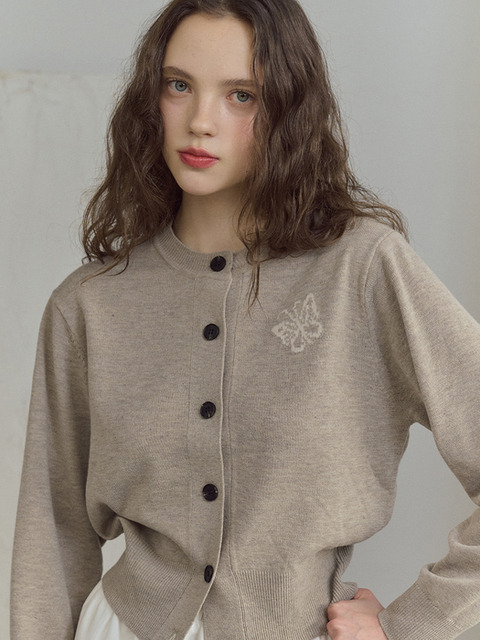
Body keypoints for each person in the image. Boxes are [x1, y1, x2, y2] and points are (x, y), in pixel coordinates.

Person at [10, 0, 480, 639]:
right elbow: (54, 535)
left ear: (290, 109)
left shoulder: (362, 270)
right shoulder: (89, 303)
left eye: (241, 95)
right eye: (179, 85)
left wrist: (410, 626)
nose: (200, 122)